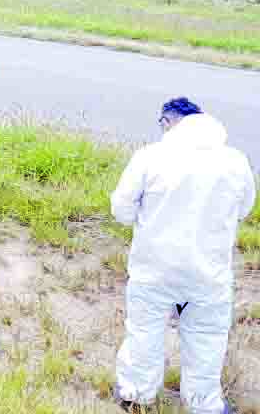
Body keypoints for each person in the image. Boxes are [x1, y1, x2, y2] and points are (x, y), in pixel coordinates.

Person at [111, 98, 255, 414]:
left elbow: (121, 210)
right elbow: (244, 208)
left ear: (167, 122)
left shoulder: (150, 156)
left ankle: (137, 394)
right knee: (206, 338)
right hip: (209, 272)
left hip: (155, 268)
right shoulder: (235, 160)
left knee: (145, 332)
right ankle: (204, 404)